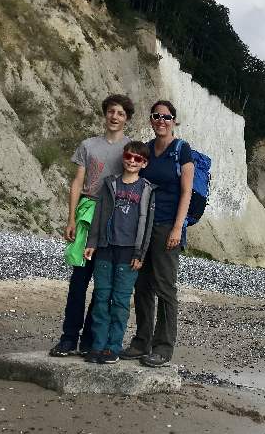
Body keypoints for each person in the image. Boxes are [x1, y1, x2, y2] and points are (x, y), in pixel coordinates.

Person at [49, 94, 134, 357]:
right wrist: (71, 218)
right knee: (78, 281)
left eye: (120, 113)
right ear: (105, 114)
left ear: (127, 119)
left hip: (114, 217)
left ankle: (90, 340)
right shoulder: (88, 145)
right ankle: (68, 338)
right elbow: (77, 182)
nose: (115, 117)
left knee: (103, 286)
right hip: (87, 213)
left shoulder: (131, 149)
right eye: (111, 111)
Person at [120, 101, 194, 368]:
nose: (161, 120)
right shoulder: (147, 149)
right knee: (142, 286)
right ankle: (142, 341)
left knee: (165, 287)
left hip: (167, 226)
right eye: (156, 116)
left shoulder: (181, 150)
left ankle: (163, 347)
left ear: (173, 120)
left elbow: (186, 192)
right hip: (144, 225)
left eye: (166, 117)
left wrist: (177, 227)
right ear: (151, 120)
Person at [83, 141, 156, 364]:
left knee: (121, 301)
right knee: (102, 298)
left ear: (144, 163)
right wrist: (92, 242)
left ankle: (113, 347)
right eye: (129, 156)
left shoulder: (146, 189)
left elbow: (148, 224)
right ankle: (97, 346)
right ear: (124, 157)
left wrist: (140, 254)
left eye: (138, 159)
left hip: (129, 253)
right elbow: (98, 215)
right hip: (106, 248)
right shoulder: (109, 184)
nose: (132, 161)